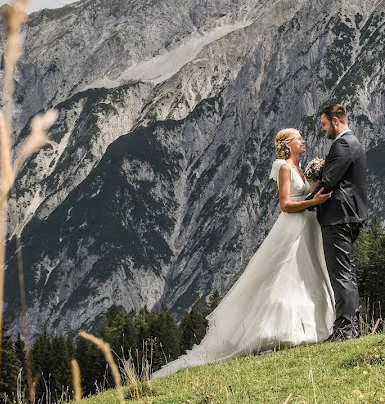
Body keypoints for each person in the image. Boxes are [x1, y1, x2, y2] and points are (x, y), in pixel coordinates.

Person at [151, 128, 334, 378]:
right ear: (288, 145)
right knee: (285, 275)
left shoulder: (300, 169)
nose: (303, 141)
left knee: (307, 273)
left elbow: (302, 195)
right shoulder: (283, 167)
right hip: (293, 226)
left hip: (307, 227)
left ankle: (309, 329)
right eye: (299, 138)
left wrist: (316, 190)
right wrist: (313, 202)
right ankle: (281, 331)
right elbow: (285, 204)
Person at [307, 104, 369, 341]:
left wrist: (304, 204)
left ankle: (344, 330)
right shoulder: (353, 144)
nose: (323, 130)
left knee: (340, 273)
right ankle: (351, 326)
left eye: (323, 124)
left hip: (338, 217)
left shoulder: (343, 144)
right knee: (347, 272)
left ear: (335, 121)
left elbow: (328, 181)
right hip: (348, 216)